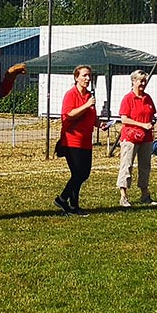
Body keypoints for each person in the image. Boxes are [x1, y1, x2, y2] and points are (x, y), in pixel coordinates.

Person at [55, 65, 102, 216]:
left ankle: (71, 204)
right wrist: (86, 105)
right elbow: (69, 114)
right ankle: (64, 200)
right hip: (72, 140)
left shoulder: (89, 96)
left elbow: (91, 116)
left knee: (84, 173)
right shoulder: (71, 94)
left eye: (89, 76)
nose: (88, 79)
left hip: (86, 141)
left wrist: (100, 124)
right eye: (84, 75)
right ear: (76, 77)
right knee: (78, 173)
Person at [116, 69, 157, 208]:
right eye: (140, 81)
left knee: (145, 166)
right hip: (130, 138)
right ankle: (123, 196)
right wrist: (142, 125)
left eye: (144, 81)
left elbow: (152, 114)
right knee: (127, 165)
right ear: (133, 81)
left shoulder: (148, 98)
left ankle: (145, 195)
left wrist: (152, 122)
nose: (143, 84)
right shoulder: (128, 98)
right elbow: (124, 119)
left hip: (146, 138)